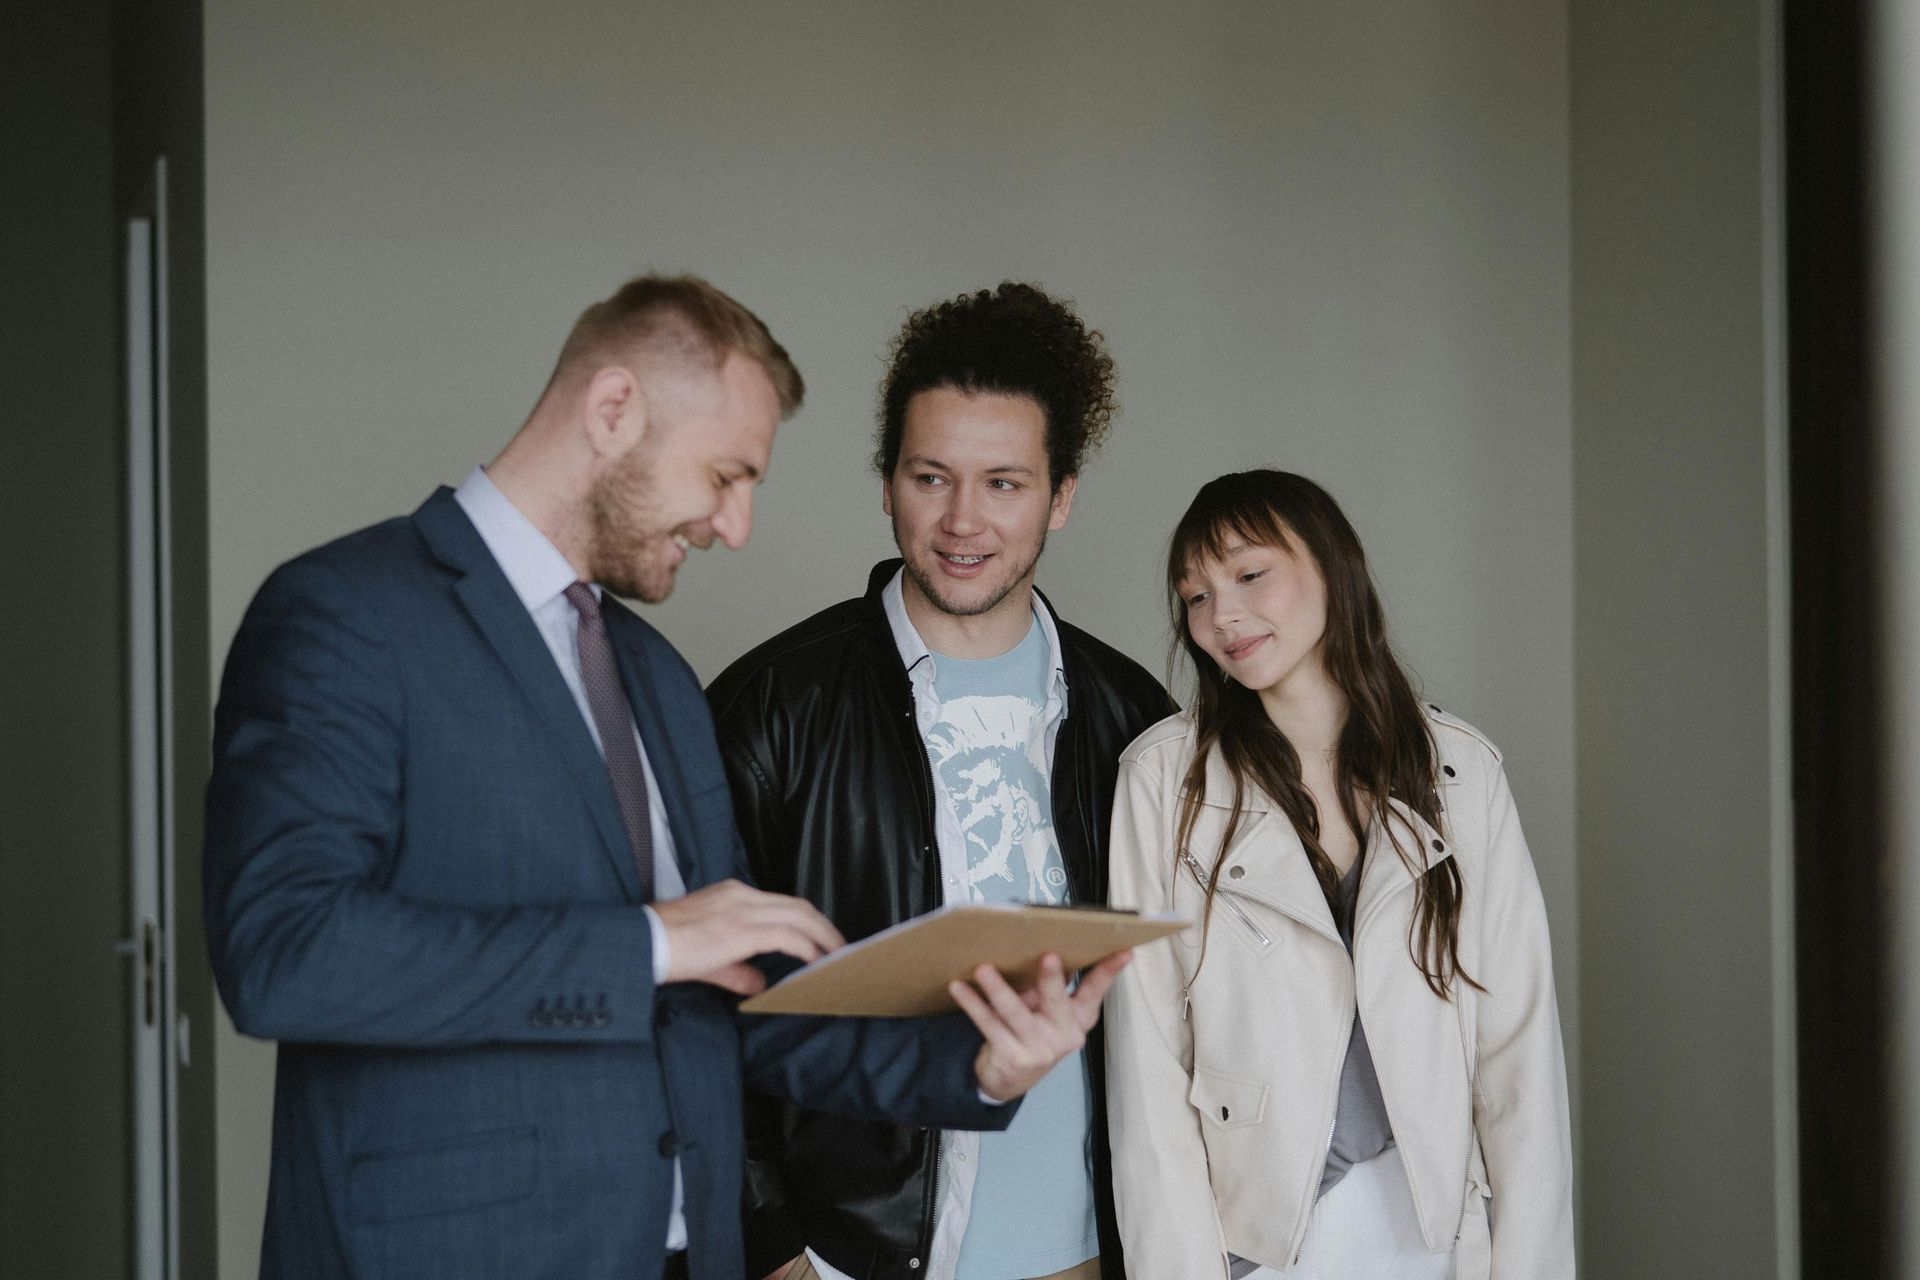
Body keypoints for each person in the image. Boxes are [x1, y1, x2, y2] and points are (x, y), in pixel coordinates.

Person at [203, 274, 1122, 1280]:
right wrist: (647, 939)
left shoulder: (657, 676)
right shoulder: (346, 614)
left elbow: (737, 997)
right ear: (613, 411)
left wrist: (976, 1070)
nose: (737, 526)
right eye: (727, 474)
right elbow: (281, 953)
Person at [708, 282, 1175, 1280]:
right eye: (932, 476)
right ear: (887, 481)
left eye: (1005, 482)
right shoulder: (767, 706)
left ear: (1062, 494)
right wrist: (773, 1245)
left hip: (1086, 1253)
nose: (964, 519)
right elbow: (703, 1017)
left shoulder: (1134, 716)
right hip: (843, 1260)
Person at [1102, 470, 1574, 1279]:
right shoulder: (1163, 780)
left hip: (1438, 1234)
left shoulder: (1460, 769)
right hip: (1256, 1244)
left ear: (1332, 567)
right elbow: (1146, 1074)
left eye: (1250, 575)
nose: (1223, 617)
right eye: (1196, 596)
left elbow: (1519, 1055)